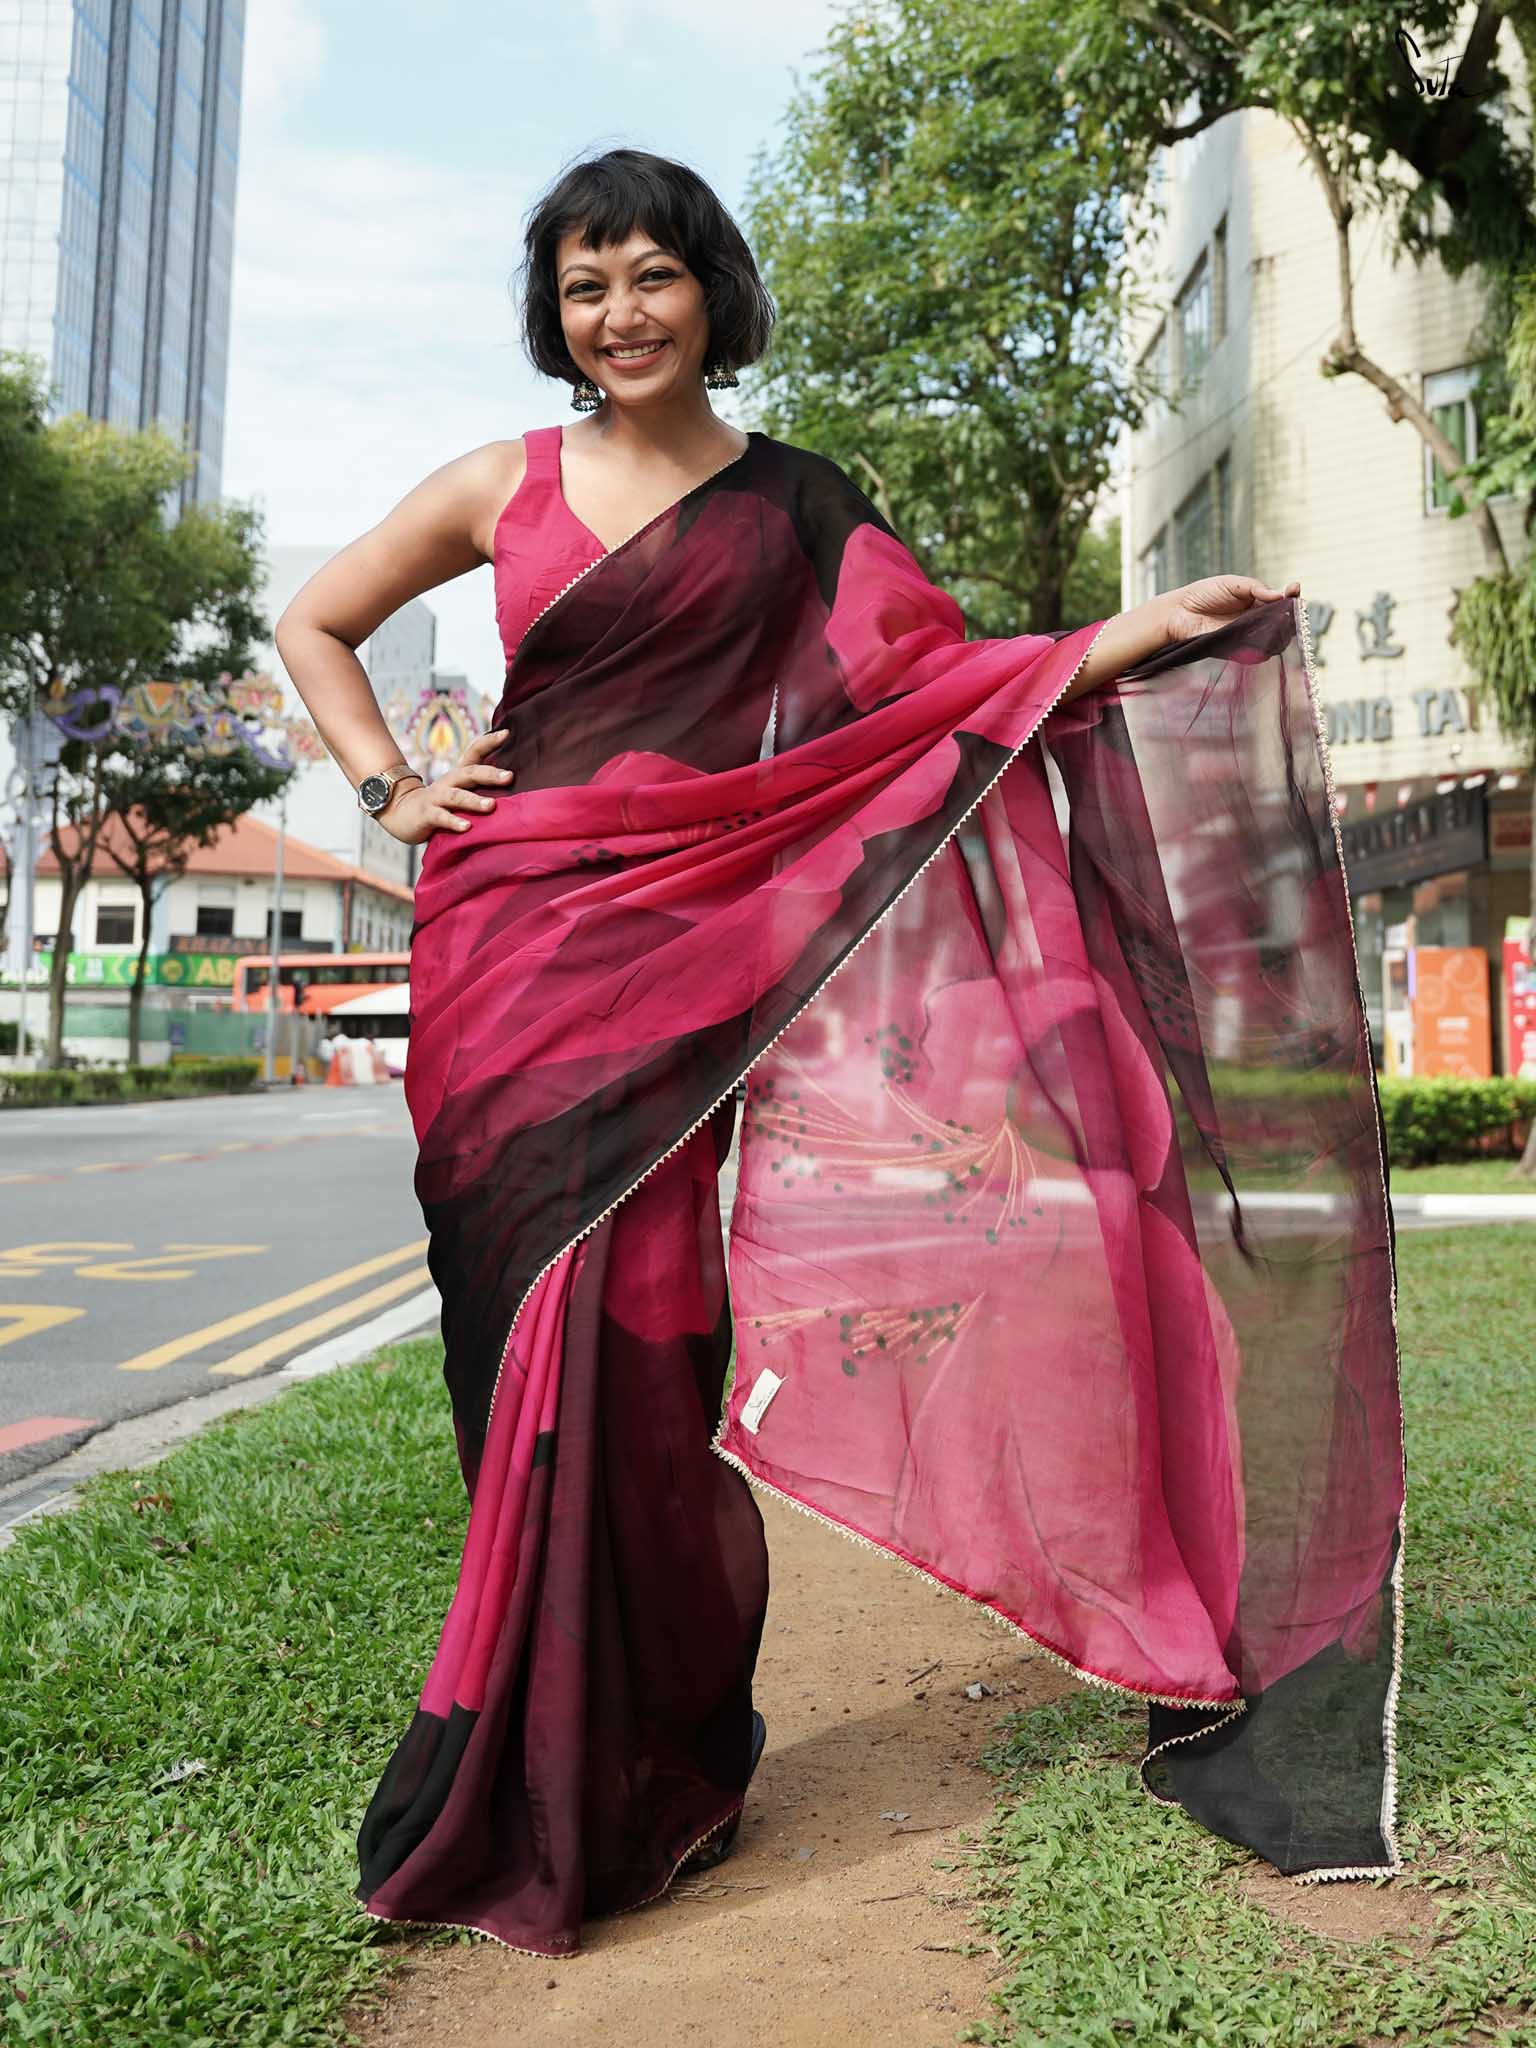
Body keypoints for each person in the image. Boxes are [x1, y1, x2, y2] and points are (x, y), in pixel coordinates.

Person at [274, 147, 1404, 1960]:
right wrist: (394, 785)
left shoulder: (797, 504)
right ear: (552, 314)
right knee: (516, 1349)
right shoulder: (503, 481)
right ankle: (534, 1753)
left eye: (652, 274)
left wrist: (1125, 635)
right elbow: (315, 618)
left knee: (647, 1343)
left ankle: (654, 1762)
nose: (620, 313)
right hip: (509, 942)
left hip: (690, 953)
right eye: (584, 284)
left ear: (711, 288)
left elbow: (927, 683)